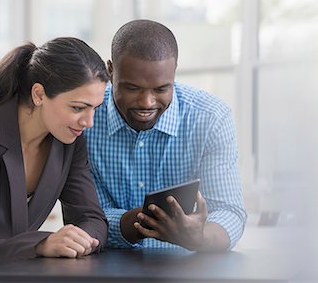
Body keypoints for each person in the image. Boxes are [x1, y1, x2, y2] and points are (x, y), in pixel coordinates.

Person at [0, 37, 109, 266]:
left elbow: (92, 219)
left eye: (94, 108)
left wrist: (80, 240)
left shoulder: (69, 140)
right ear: (39, 94)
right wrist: (40, 244)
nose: (88, 122)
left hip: (14, 272)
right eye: (78, 108)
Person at [84, 20, 247, 252]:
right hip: (104, 268)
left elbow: (230, 212)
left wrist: (199, 236)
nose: (146, 103)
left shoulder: (211, 118)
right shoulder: (85, 118)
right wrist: (143, 222)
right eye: (132, 88)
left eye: (161, 89)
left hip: (188, 270)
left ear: (174, 71)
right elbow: (84, 218)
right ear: (110, 70)